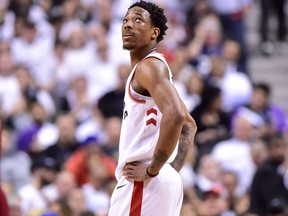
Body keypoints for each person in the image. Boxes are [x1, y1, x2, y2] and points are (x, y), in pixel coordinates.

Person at [108, 1, 197, 216]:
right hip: (159, 180)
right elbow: (188, 125)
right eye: (126, 20)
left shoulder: (148, 67)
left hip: (144, 181)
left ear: (153, 33)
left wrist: (153, 169)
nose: (128, 25)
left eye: (138, 20)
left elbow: (177, 116)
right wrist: (168, 170)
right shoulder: (155, 69)